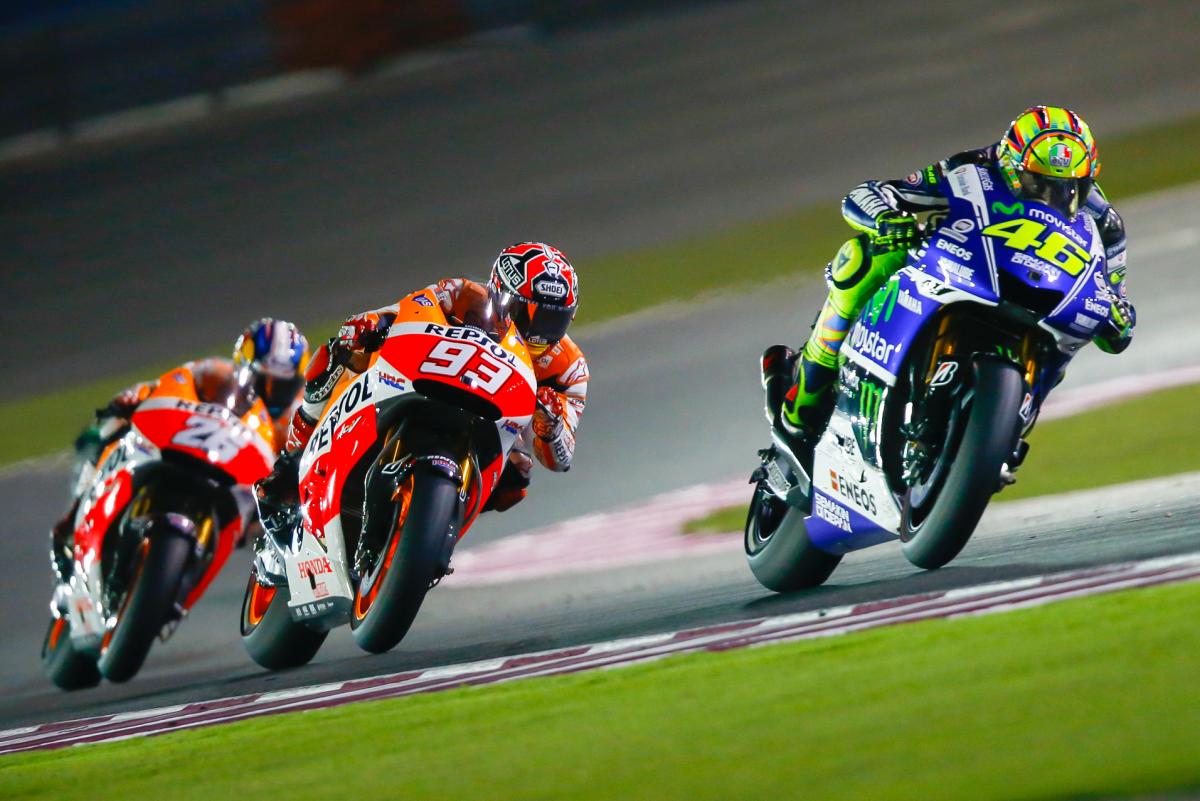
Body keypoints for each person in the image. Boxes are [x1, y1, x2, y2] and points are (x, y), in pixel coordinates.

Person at [776, 105, 1135, 451]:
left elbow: (1113, 295)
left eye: (1070, 187)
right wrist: (888, 220)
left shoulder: (1105, 223)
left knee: (1068, 340)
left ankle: (1007, 432)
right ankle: (808, 387)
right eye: (1038, 182)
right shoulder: (970, 167)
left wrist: (1118, 315)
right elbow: (872, 194)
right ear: (1011, 164)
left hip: (1042, 297)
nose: (1053, 196)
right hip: (964, 267)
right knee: (863, 256)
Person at [255, 241, 588, 557]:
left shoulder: (569, 367)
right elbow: (404, 311)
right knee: (339, 353)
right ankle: (291, 461)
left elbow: (562, 458)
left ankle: (435, 528)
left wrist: (551, 427)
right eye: (528, 315)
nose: (539, 333)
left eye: (554, 321)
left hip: (492, 421)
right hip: (426, 377)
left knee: (518, 477)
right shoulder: (461, 294)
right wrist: (373, 323)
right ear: (500, 293)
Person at [48, 319, 309, 581]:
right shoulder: (217, 373)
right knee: (109, 430)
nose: (268, 393)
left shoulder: (297, 415)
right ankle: (72, 518)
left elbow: (304, 464)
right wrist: (135, 397)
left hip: (246, 494)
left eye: (280, 386)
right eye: (260, 381)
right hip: (195, 443)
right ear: (242, 367)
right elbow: (169, 385)